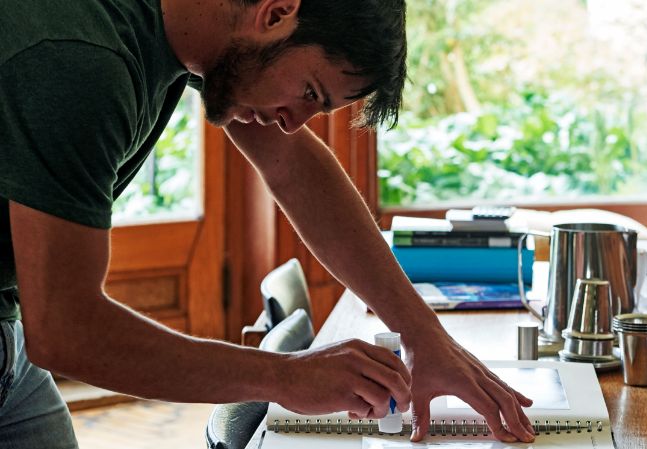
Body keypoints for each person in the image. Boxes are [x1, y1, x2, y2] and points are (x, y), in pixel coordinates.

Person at [0, 0, 535, 446]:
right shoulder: (77, 62)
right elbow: (68, 331)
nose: (293, 123)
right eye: (309, 93)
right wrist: (285, 376)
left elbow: (297, 168)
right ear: (276, 13)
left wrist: (423, 334)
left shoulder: (192, 32)